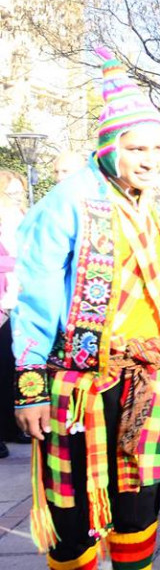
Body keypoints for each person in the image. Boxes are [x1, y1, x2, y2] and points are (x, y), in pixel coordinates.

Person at [11, 47, 160, 570]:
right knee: (75, 510)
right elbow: (37, 296)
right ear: (109, 146)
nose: (150, 159)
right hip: (80, 382)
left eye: (159, 149)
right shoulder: (69, 200)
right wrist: (30, 390)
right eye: (138, 148)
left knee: (139, 505)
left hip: (152, 374)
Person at [0, 169, 27, 458]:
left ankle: (10, 426)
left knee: (10, 368)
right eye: (11, 192)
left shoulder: (24, 219)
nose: (17, 196)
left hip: (19, 303)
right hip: (2, 303)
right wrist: (19, 263)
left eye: (20, 191)